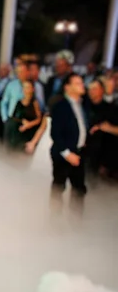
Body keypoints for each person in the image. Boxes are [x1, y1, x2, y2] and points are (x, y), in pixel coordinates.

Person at [50, 73, 88, 211]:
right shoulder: (60, 106)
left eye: (82, 83)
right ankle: (54, 223)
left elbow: (82, 125)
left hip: (79, 152)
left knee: (79, 189)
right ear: (67, 87)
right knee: (59, 187)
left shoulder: (83, 104)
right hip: (63, 153)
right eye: (77, 83)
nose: (82, 86)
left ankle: (75, 223)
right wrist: (67, 154)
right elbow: (55, 133)